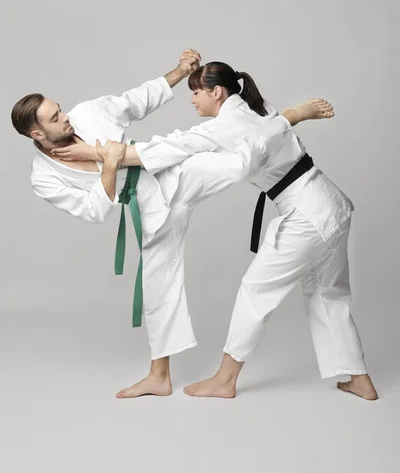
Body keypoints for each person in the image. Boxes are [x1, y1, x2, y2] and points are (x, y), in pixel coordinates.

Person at [47, 60, 351, 400]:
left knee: (258, 288)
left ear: (216, 92)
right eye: (55, 115)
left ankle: (225, 380)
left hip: (301, 210)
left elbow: (171, 138)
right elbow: (96, 207)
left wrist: (100, 153)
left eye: (196, 92)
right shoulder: (256, 105)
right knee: (329, 293)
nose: (192, 100)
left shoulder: (227, 124)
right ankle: (358, 379)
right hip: (327, 202)